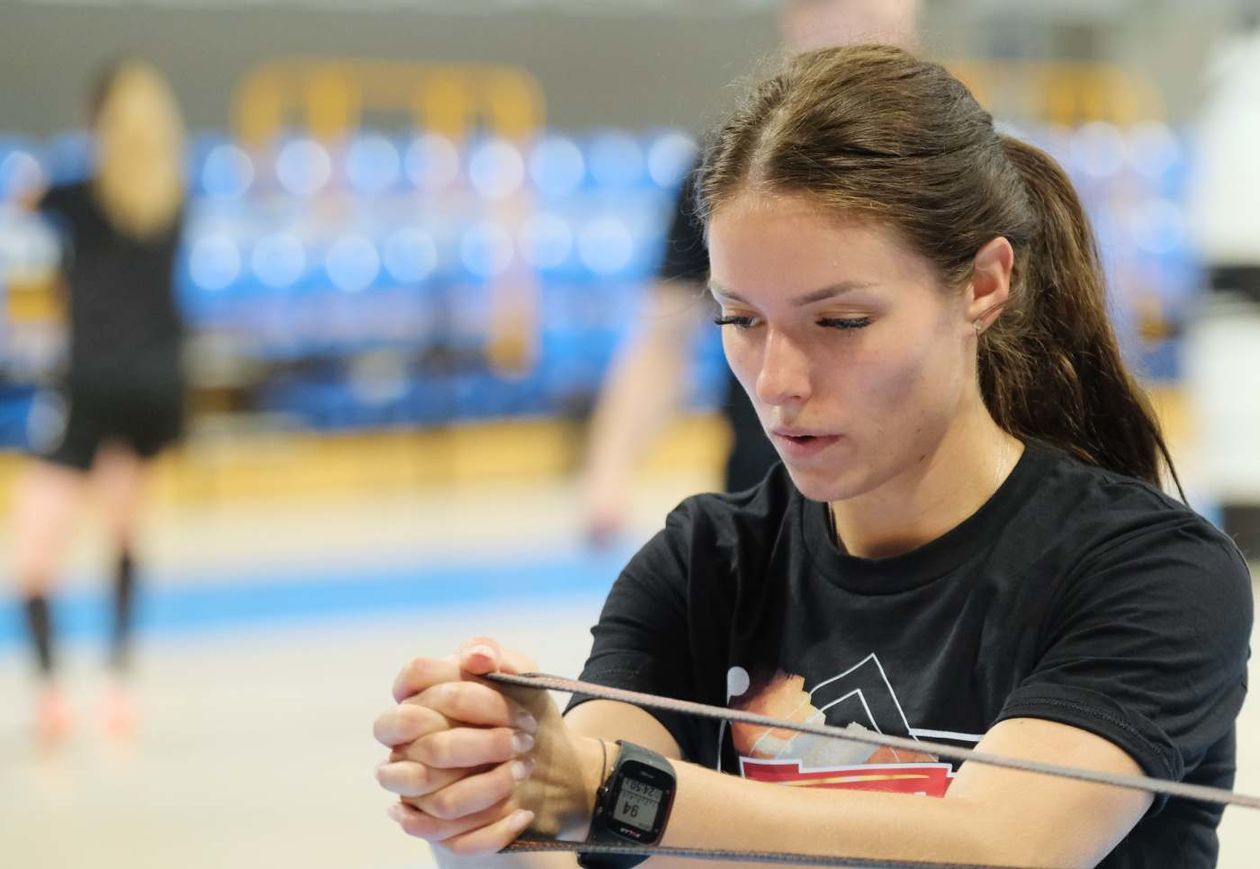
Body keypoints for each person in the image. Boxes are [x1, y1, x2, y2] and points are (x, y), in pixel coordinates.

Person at [374, 45, 1253, 867]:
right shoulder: (706, 560)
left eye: (840, 322)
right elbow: (581, 820)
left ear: (984, 284)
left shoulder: (1151, 572)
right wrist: (486, 800)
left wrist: (607, 790)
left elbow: (999, 847)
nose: (778, 380)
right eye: (740, 320)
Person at [581, 0, 920, 545]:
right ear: (793, 21)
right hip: (769, 499)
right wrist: (610, 469)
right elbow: (662, 338)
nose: (845, 23)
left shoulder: (954, 165)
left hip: (918, 498)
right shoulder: (729, 167)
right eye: (743, 318)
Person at [8, 59, 187, 745]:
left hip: (89, 388)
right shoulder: (172, 201)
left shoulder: (74, 195)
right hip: (153, 389)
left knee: (33, 551)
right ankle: (119, 683)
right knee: (123, 532)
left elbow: (26, 199)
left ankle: (52, 689)